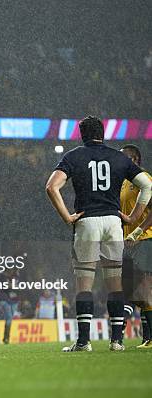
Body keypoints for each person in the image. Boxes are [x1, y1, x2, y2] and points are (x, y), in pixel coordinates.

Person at [45, 116, 151, 352]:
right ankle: (117, 341)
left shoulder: (74, 156)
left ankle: (83, 342)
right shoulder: (119, 157)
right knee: (115, 283)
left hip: (87, 220)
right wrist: (133, 217)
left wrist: (67, 216)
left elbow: (51, 186)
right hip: (113, 222)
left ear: (82, 135)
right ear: (102, 133)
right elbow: (147, 185)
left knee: (84, 283)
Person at [120, 144, 152, 348]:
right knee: (135, 292)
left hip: (146, 238)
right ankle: (147, 336)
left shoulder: (144, 179)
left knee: (145, 287)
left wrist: (138, 231)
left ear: (135, 160)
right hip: (128, 241)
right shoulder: (123, 183)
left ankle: (150, 337)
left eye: (124, 158)